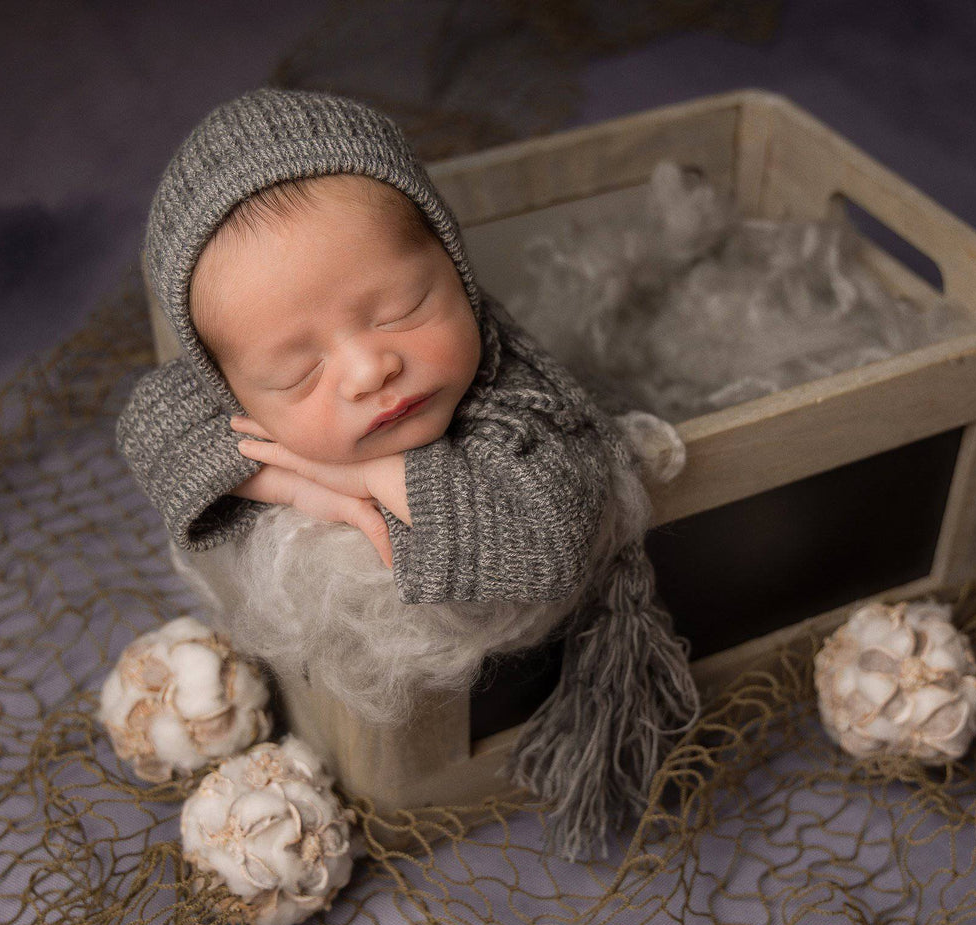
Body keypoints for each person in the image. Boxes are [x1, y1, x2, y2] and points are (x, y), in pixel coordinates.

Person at [117, 87, 696, 857]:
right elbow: (147, 422)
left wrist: (369, 477)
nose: (368, 367)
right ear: (229, 387)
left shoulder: (518, 390)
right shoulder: (246, 351)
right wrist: (291, 479)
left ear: (456, 268)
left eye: (400, 309)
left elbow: (548, 534)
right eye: (297, 372)